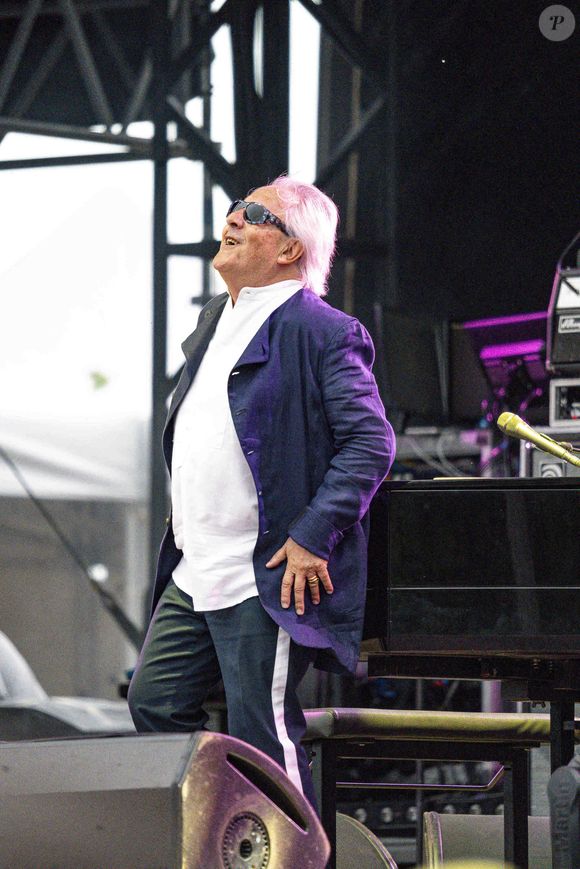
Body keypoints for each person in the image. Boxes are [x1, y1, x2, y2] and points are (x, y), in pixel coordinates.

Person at [128, 176, 395, 807]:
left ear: (290, 250)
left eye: (254, 214)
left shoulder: (323, 330)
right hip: (197, 569)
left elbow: (371, 444)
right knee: (154, 704)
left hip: (263, 572)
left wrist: (311, 537)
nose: (234, 218)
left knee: (263, 739)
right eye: (236, 208)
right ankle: (220, 839)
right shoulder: (216, 321)